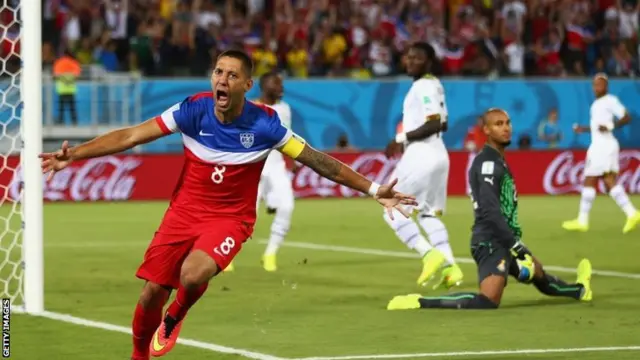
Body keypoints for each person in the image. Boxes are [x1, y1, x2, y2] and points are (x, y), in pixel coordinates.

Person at [39, 50, 417, 360]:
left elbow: (319, 160)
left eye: (232, 75)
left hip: (230, 219)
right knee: (151, 292)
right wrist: (76, 155)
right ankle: (139, 356)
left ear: (247, 85)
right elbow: (133, 134)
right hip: (182, 213)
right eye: (218, 72)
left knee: (191, 275)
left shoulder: (266, 125)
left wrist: (373, 188)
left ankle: (178, 314)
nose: (222, 80)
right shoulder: (193, 110)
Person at [387, 108, 593, 311]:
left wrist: (515, 244)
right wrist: (517, 246)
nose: (506, 128)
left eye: (507, 123)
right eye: (498, 124)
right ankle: (419, 302)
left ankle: (581, 289)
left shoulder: (497, 160)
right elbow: (489, 211)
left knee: (540, 278)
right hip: (490, 241)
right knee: (488, 300)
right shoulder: (487, 163)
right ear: (486, 130)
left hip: (505, 238)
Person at [383, 42, 463, 289]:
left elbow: (434, 123)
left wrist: (400, 138)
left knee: (391, 207)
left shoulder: (423, 86)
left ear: (428, 61)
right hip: (440, 155)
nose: (409, 61)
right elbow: (444, 124)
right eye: (408, 57)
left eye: (416, 58)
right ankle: (452, 267)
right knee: (427, 214)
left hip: (421, 155)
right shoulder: (436, 84)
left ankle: (429, 254)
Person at [562, 73, 640, 234]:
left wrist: (611, 127)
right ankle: (632, 213)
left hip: (603, 146)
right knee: (608, 181)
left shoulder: (610, 100)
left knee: (590, 180)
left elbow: (627, 117)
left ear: (606, 86)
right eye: (594, 85)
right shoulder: (597, 104)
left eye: (600, 84)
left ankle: (582, 221)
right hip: (602, 144)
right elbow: (599, 127)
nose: (596, 88)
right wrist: (583, 129)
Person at [254, 71, 296, 272]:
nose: (281, 87)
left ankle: (270, 253)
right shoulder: (250, 108)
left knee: (287, 206)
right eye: (276, 83)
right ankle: (226, 257)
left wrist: (295, 156)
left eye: (281, 83)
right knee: (246, 215)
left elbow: (287, 137)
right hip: (252, 165)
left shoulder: (285, 109)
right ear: (264, 86)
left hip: (276, 164)